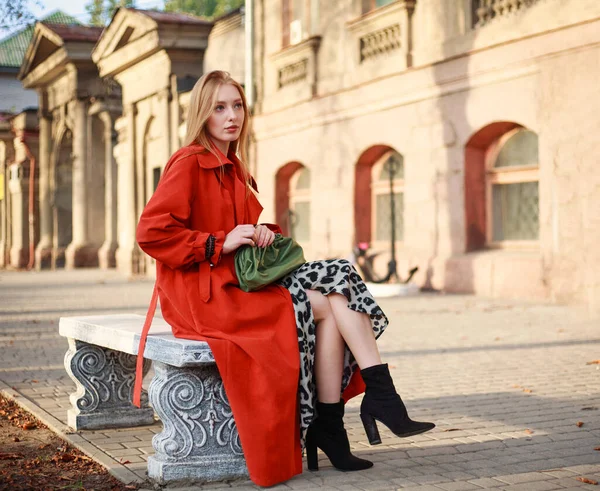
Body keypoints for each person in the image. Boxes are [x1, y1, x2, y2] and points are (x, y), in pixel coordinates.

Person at [135, 70, 434, 487]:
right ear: (202, 113)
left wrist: (259, 232)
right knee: (337, 289)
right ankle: (374, 402)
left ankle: (336, 421)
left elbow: (238, 237)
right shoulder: (189, 163)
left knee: (336, 292)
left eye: (237, 105)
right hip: (205, 296)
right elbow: (151, 233)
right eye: (219, 107)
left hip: (238, 281)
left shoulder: (234, 166)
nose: (231, 115)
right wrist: (216, 243)